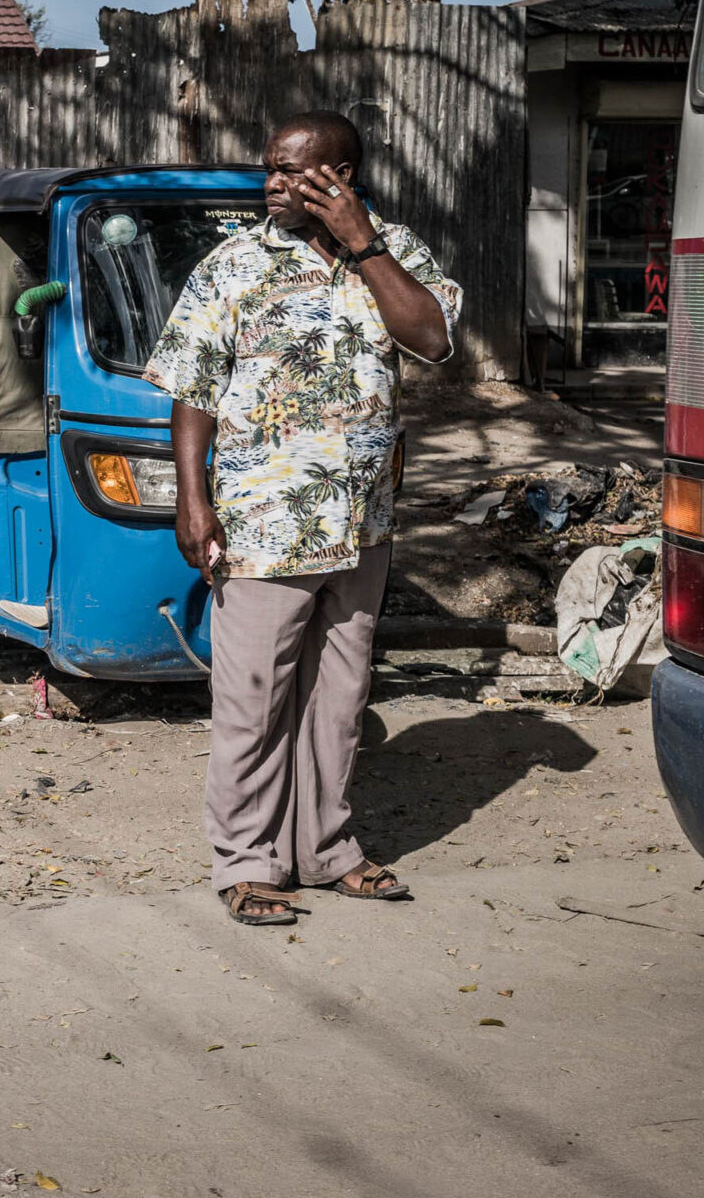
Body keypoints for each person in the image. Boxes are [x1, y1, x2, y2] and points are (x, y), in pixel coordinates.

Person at [143, 111, 462, 926]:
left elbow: (431, 339)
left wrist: (363, 245)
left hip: (364, 521)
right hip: (264, 521)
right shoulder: (234, 265)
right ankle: (248, 862)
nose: (273, 185)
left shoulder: (395, 252)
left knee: (341, 696)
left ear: (343, 177)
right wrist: (193, 497)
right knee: (254, 698)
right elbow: (192, 389)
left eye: (293, 172)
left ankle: (328, 850)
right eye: (270, 169)